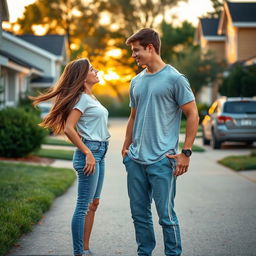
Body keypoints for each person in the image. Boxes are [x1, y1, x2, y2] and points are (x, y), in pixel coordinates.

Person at [121, 28, 199, 256]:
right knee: (139, 215)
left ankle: (173, 253)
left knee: (166, 215)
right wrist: (126, 147)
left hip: (161, 161)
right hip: (135, 160)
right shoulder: (136, 81)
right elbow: (133, 116)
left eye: (136, 50)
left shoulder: (175, 79)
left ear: (150, 48)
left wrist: (186, 152)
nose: (133, 55)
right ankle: (144, 252)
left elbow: (193, 114)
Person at [30, 58, 110, 256]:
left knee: (94, 203)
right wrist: (87, 152)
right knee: (84, 205)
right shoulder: (82, 98)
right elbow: (68, 128)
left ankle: (85, 248)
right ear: (83, 77)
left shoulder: (90, 97)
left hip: (100, 152)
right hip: (90, 153)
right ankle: (79, 252)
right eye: (92, 69)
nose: (97, 71)